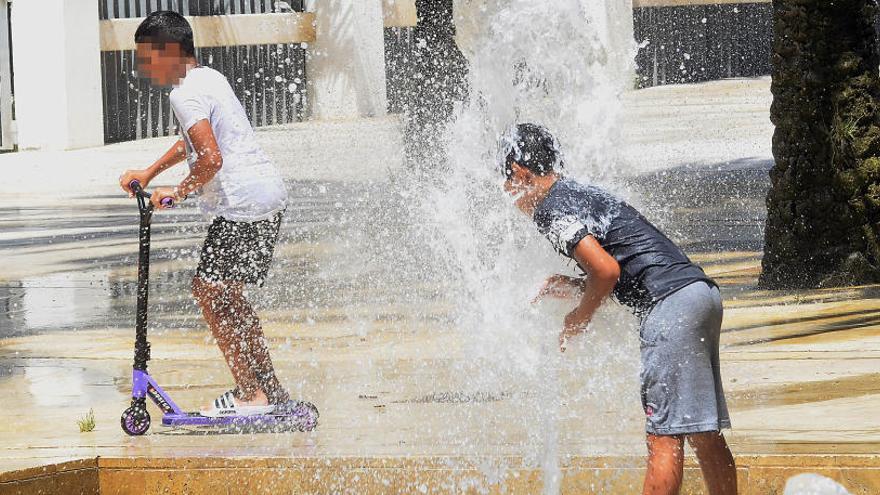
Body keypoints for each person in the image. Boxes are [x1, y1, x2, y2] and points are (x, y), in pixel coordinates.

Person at [502, 123, 737, 495]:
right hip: (698, 294)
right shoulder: (579, 193)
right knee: (702, 432)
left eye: (506, 183)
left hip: (670, 308)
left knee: (663, 437)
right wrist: (572, 286)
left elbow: (607, 271)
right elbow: (622, 269)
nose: (507, 195)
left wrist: (578, 318)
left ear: (519, 172)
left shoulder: (550, 208)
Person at [118, 11, 291, 417]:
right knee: (227, 295)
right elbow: (193, 143)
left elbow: (210, 157)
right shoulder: (209, 78)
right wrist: (149, 172)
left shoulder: (183, 93)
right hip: (267, 197)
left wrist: (175, 193)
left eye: (148, 58)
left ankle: (250, 393)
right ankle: (269, 387)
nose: (144, 68)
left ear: (171, 52)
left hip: (241, 204)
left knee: (210, 293)